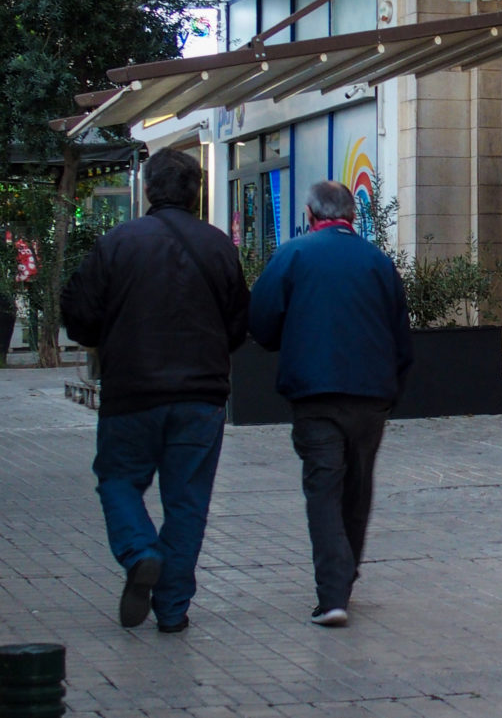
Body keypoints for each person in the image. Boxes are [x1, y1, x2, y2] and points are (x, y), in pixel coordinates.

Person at [60, 148, 249, 634]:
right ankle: (172, 609)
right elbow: (237, 325)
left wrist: (112, 335)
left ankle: (139, 550)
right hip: (201, 398)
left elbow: (80, 317)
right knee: (188, 502)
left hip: (131, 393)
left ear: (148, 189)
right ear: (196, 191)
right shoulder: (218, 246)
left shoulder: (117, 243)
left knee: (118, 481)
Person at [248, 180, 413, 628]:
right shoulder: (378, 261)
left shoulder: (294, 255)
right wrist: (390, 387)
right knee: (357, 488)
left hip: (315, 394)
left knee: (323, 489)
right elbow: (402, 337)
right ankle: (346, 576)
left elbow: (261, 322)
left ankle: (333, 593)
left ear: (309, 214)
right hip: (371, 397)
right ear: (352, 216)